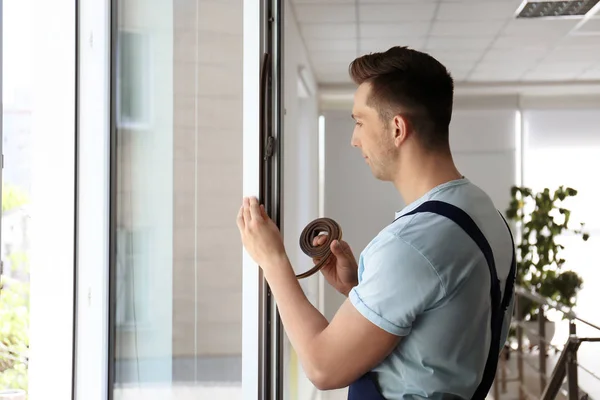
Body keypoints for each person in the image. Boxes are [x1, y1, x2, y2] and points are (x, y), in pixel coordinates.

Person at [236, 46, 515, 399]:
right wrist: (360, 289)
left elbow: (323, 367)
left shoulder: (412, 245)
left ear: (397, 128)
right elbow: (441, 323)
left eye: (359, 121)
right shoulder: (484, 214)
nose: (354, 139)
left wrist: (272, 260)